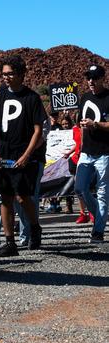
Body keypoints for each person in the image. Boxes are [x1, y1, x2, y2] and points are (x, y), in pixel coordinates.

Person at [0, 55, 45, 257]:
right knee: (5, 197)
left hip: (22, 153)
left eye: (10, 73)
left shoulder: (32, 98)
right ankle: (9, 242)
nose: (6, 77)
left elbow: (38, 130)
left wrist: (27, 155)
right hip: (2, 152)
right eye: (4, 74)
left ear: (21, 74)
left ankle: (35, 227)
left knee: (22, 197)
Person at [74, 64, 109, 243]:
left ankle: (98, 231)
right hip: (86, 152)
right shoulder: (85, 97)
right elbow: (80, 124)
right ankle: (101, 218)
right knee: (79, 188)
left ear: (103, 78)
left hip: (105, 153)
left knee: (103, 193)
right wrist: (79, 146)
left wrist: (95, 124)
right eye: (88, 78)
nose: (91, 81)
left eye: (94, 78)